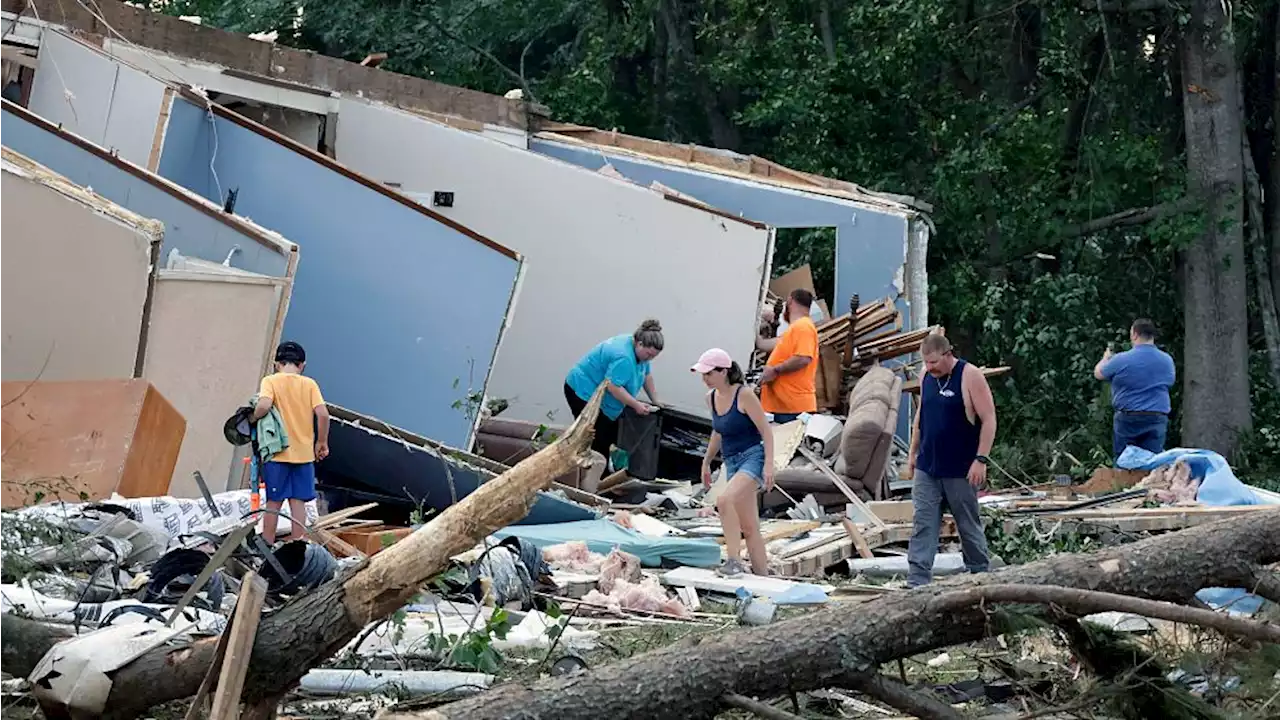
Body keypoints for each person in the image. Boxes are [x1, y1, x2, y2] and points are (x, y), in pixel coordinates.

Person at [906, 334, 995, 587]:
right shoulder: (926, 376)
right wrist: (912, 454)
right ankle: (917, 581)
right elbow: (921, 416)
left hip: (961, 468)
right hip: (928, 466)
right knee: (923, 522)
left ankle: (980, 575)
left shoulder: (970, 376)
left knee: (967, 524)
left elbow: (989, 419)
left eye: (934, 362)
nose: (930, 367)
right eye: (926, 362)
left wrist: (981, 459)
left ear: (948, 354)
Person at [694, 348, 775, 576]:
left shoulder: (744, 395)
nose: (705, 379)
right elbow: (718, 432)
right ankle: (763, 578)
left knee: (724, 500)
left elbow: (766, 432)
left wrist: (769, 465)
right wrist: (707, 461)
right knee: (749, 528)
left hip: (752, 457)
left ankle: (733, 561)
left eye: (709, 374)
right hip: (731, 461)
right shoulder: (711, 398)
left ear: (723, 372)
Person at [252, 341, 330, 545]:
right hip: (304, 454)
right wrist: (322, 442)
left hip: (277, 453)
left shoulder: (270, 381)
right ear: (302, 365)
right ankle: (299, 545)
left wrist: (253, 418)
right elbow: (322, 414)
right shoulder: (310, 384)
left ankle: (267, 545)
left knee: (273, 502)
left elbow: (264, 405)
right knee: (298, 503)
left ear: (277, 363)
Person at [564, 319, 664, 457]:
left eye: (654, 356)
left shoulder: (639, 350)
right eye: (649, 354)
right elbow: (613, 386)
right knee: (595, 437)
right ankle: (588, 469)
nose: (650, 359)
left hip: (604, 396)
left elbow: (646, 375)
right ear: (640, 344)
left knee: (608, 434)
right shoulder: (624, 358)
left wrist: (655, 400)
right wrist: (636, 405)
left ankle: (599, 465)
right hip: (582, 390)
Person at [1094, 318, 1176, 459]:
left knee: (1124, 461)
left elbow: (1099, 374)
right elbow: (1170, 382)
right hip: (1157, 416)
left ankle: (1123, 480)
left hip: (1128, 417)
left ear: (1135, 335)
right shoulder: (1167, 360)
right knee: (1153, 461)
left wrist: (1105, 358)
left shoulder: (1121, 359)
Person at [756, 289, 819, 423]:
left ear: (790, 301)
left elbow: (803, 358)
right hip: (784, 406)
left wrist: (775, 370)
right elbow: (764, 344)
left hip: (792, 407)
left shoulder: (803, 327)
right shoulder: (795, 329)